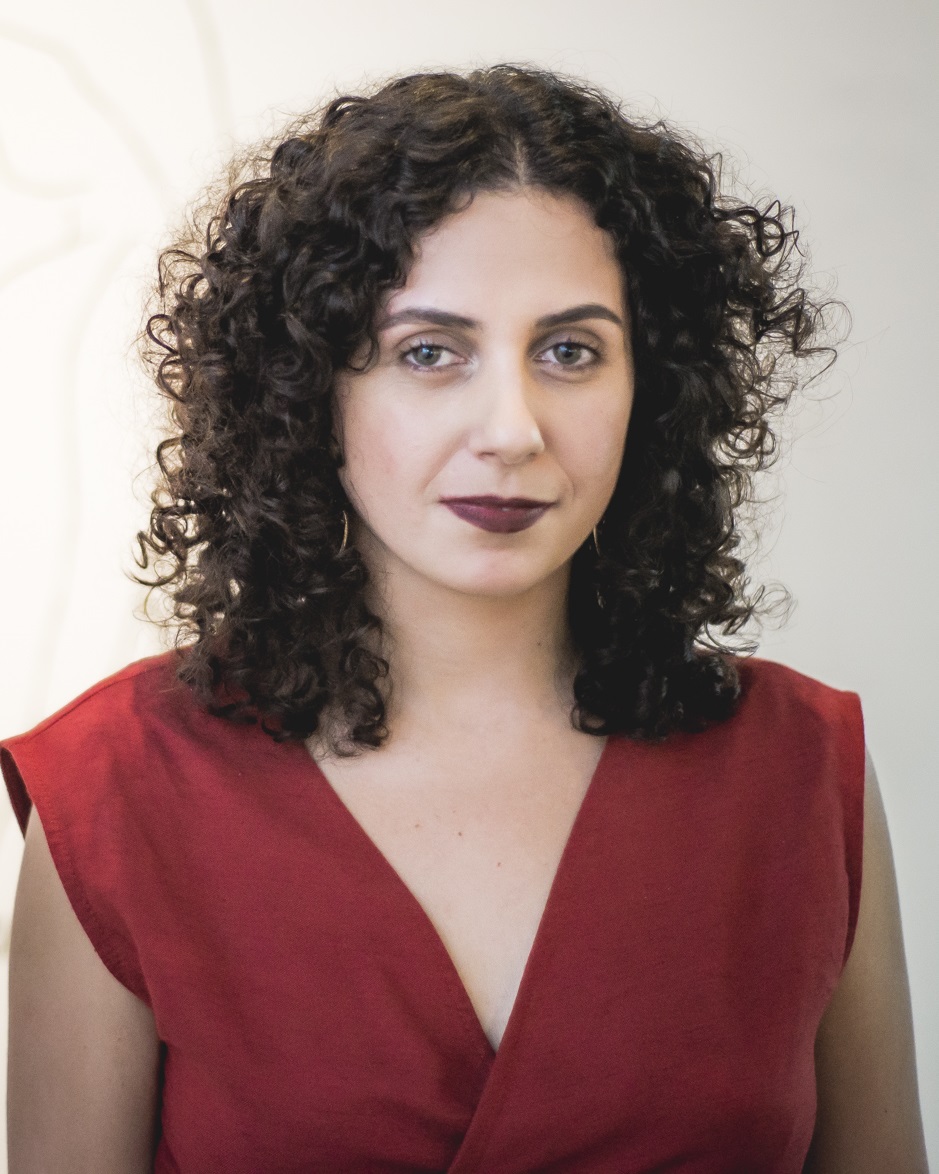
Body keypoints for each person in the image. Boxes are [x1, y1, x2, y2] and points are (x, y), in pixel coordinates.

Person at [2, 62, 928, 1173]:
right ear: (308, 388)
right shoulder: (116, 792)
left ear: (653, 386)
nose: (511, 429)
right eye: (429, 352)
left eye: (570, 351)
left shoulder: (801, 771)